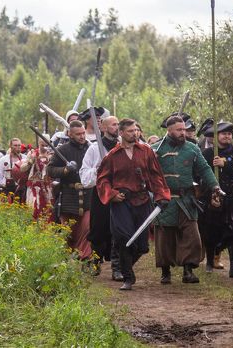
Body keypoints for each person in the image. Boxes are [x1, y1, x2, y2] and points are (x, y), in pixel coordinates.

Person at [96, 118, 171, 290]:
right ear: (121, 133)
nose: (135, 133)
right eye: (130, 131)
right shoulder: (112, 156)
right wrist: (112, 194)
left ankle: (125, 266)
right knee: (124, 238)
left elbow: (155, 176)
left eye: (136, 130)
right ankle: (128, 278)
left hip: (143, 200)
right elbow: (102, 180)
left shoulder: (146, 151)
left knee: (142, 246)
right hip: (122, 202)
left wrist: (161, 195)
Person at [152, 115, 220, 284]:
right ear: (169, 130)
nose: (183, 132)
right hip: (165, 199)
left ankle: (188, 271)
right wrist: (150, 156)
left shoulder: (192, 148)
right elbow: (146, 172)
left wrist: (215, 186)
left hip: (186, 198)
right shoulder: (155, 149)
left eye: (184, 129)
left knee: (192, 236)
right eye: (179, 130)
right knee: (164, 237)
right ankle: (165, 272)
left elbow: (204, 169)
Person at [199, 121, 233, 277]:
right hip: (213, 197)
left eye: (229, 134)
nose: (227, 136)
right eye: (224, 133)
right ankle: (210, 262)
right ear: (216, 135)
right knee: (211, 231)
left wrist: (226, 163)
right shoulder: (207, 153)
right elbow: (200, 173)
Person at [47, 121, 93, 261]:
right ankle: (68, 260)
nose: (82, 136)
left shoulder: (91, 149)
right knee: (68, 232)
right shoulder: (62, 150)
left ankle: (84, 258)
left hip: (87, 195)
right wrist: (65, 170)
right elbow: (50, 170)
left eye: (83, 133)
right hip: (68, 196)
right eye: (78, 134)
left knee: (86, 229)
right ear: (70, 134)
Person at [81, 115, 120, 279]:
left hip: (119, 194)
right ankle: (95, 262)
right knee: (98, 229)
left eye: (118, 124)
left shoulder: (122, 147)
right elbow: (84, 176)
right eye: (113, 124)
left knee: (118, 230)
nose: (116, 127)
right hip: (99, 195)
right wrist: (97, 169)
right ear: (103, 128)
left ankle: (117, 267)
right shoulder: (93, 149)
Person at [21, 139, 54, 221]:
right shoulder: (33, 153)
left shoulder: (52, 154)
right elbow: (22, 169)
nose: (45, 147)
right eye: (43, 145)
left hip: (48, 188)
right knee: (34, 209)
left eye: (47, 145)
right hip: (34, 187)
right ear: (39, 143)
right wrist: (30, 162)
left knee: (49, 211)